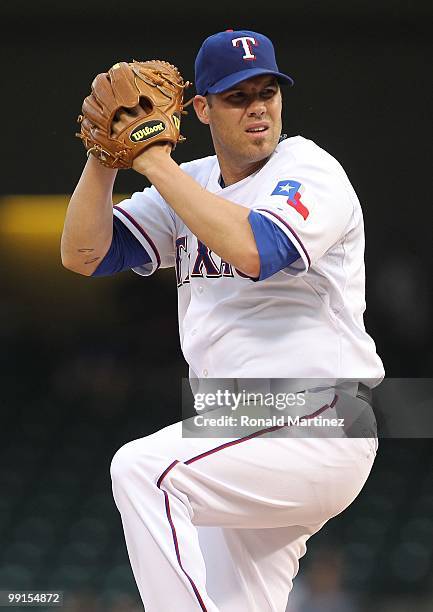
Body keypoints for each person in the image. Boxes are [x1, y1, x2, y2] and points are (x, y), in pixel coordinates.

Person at [61, 29, 384, 612]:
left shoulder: (311, 170)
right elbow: (83, 254)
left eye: (268, 91)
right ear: (202, 109)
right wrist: (103, 157)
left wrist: (153, 161)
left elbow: (257, 250)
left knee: (144, 471)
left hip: (316, 415)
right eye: (237, 96)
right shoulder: (195, 181)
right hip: (234, 428)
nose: (258, 106)